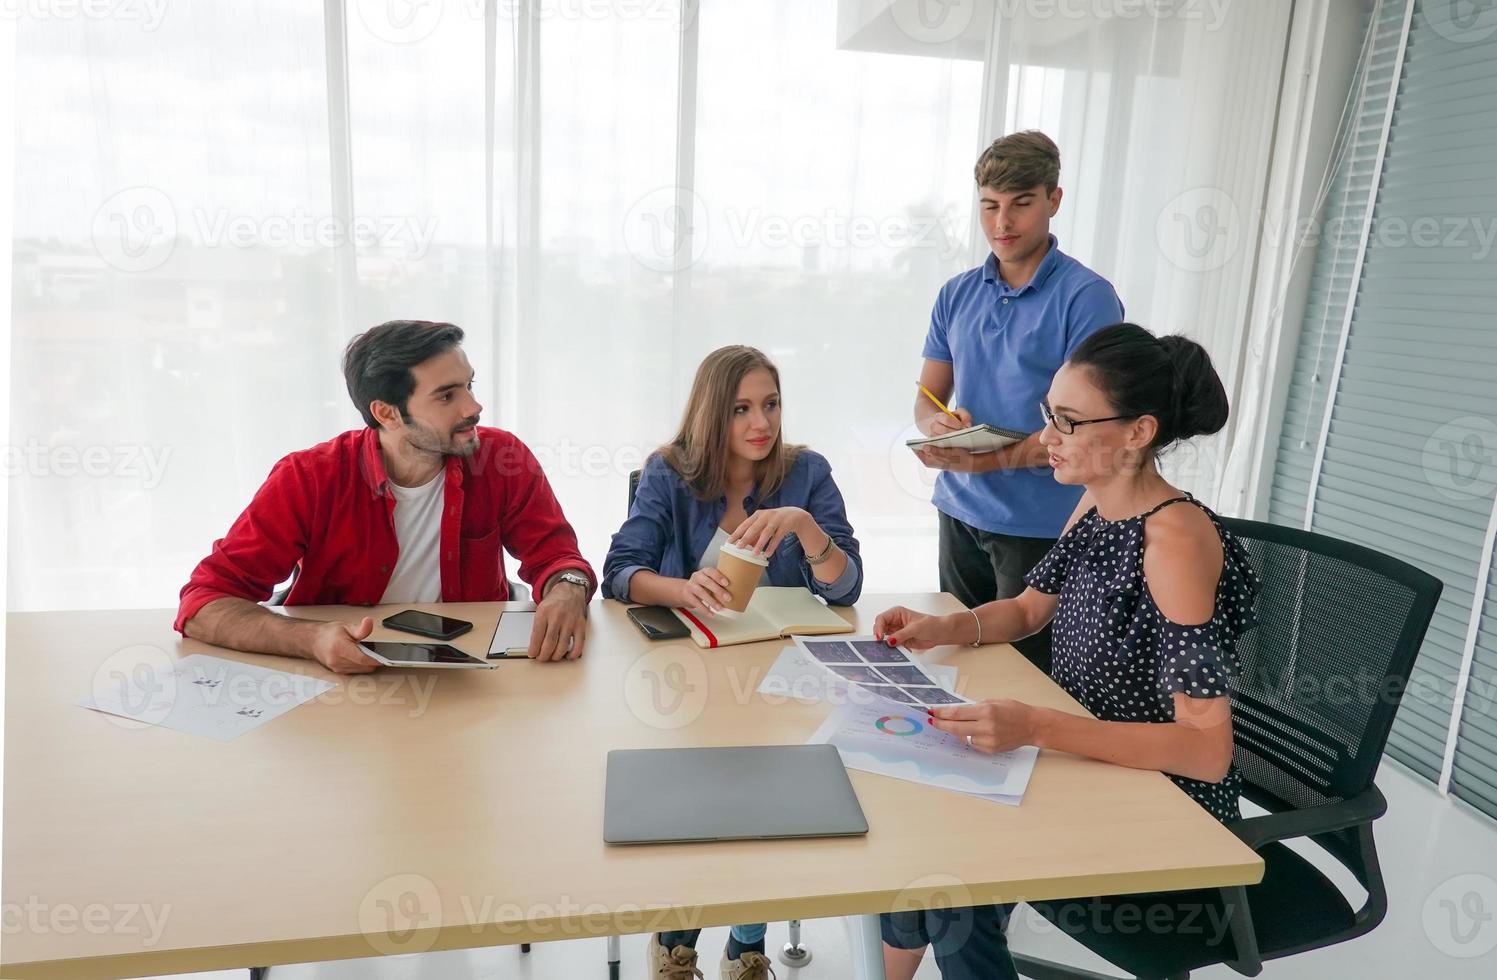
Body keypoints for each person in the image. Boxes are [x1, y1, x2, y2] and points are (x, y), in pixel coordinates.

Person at [877, 323, 1260, 980]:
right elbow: (1028, 610)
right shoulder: (1096, 503)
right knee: (918, 851)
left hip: (1162, 800)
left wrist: (1035, 727)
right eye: (1046, 416)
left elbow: (1204, 748)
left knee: (954, 890)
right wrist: (945, 626)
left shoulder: (1172, 543)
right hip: (1087, 761)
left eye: (1068, 422)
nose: (1045, 438)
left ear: (1137, 433)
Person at [603, 344, 862, 980]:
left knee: (772, 809)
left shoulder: (807, 473)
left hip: (780, 679)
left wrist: (805, 526)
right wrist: (680, 588)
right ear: (710, 415)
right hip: (690, 674)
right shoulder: (669, 472)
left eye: (770, 405)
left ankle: (748, 945)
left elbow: (845, 587)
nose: (761, 423)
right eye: (741, 408)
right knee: (698, 810)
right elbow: (619, 571)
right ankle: (676, 937)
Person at [176, 319, 595, 671]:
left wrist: (567, 590)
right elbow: (204, 603)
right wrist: (311, 640)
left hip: (471, 680)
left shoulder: (502, 457)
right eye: (447, 395)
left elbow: (558, 559)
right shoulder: (308, 478)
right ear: (386, 413)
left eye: (469, 385)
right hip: (341, 685)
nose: (473, 406)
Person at [912, 130, 1124, 674]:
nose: (1002, 224)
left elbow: (1087, 432)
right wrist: (938, 425)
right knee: (959, 664)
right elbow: (928, 396)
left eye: (1020, 205)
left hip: (1040, 527)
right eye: (990, 207)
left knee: (1024, 678)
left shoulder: (1087, 298)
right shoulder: (956, 293)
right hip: (960, 511)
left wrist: (987, 459)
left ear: (1054, 200)